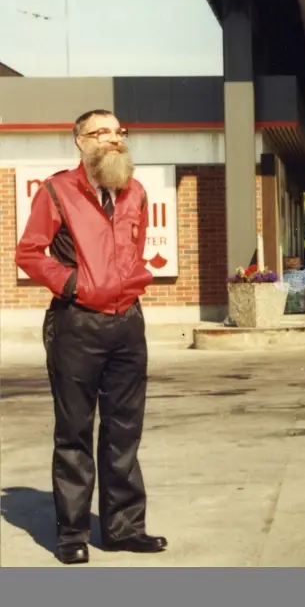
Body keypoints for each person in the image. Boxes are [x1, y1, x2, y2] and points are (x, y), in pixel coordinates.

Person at [16, 109, 168, 565]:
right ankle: (71, 535)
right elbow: (29, 252)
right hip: (76, 324)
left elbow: (134, 251)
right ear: (80, 141)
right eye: (101, 132)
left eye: (118, 132)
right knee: (75, 433)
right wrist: (74, 285)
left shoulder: (135, 191)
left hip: (127, 324)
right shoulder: (56, 191)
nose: (114, 139)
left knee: (125, 431)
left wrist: (129, 284)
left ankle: (124, 529)